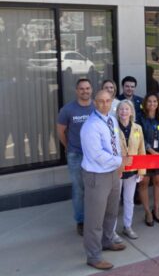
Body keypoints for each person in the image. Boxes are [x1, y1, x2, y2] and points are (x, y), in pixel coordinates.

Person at [80, 90, 131, 271]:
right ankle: (93, 256)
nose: (104, 104)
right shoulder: (90, 125)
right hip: (97, 175)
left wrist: (118, 165)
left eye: (108, 101)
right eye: (100, 101)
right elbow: (96, 155)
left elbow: (114, 143)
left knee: (111, 212)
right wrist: (120, 161)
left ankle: (107, 240)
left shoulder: (111, 119)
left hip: (112, 173)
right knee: (94, 218)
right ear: (95, 103)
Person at [56, 78, 95, 236]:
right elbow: (60, 132)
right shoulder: (68, 109)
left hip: (94, 156)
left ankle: (94, 219)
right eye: (81, 89)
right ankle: (81, 220)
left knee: (95, 189)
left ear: (91, 89)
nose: (85, 91)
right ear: (77, 91)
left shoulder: (97, 107)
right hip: (76, 155)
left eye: (87, 88)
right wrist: (69, 147)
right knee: (79, 190)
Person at [116, 100, 146, 239]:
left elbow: (141, 149)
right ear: (117, 112)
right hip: (117, 170)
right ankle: (112, 230)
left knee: (129, 200)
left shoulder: (137, 128)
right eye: (121, 109)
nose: (124, 112)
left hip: (133, 170)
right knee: (114, 202)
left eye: (126, 109)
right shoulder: (113, 127)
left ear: (131, 112)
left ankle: (127, 226)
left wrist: (141, 170)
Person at [137, 93, 159, 226]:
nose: (152, 104)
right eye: (149, 101)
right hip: (145, 155)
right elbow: (139, 137)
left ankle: (156, 210)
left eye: (155, 101)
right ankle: (147, 212)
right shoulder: (140, 119)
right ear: (145, 103)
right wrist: (151, 150)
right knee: (144, 183)